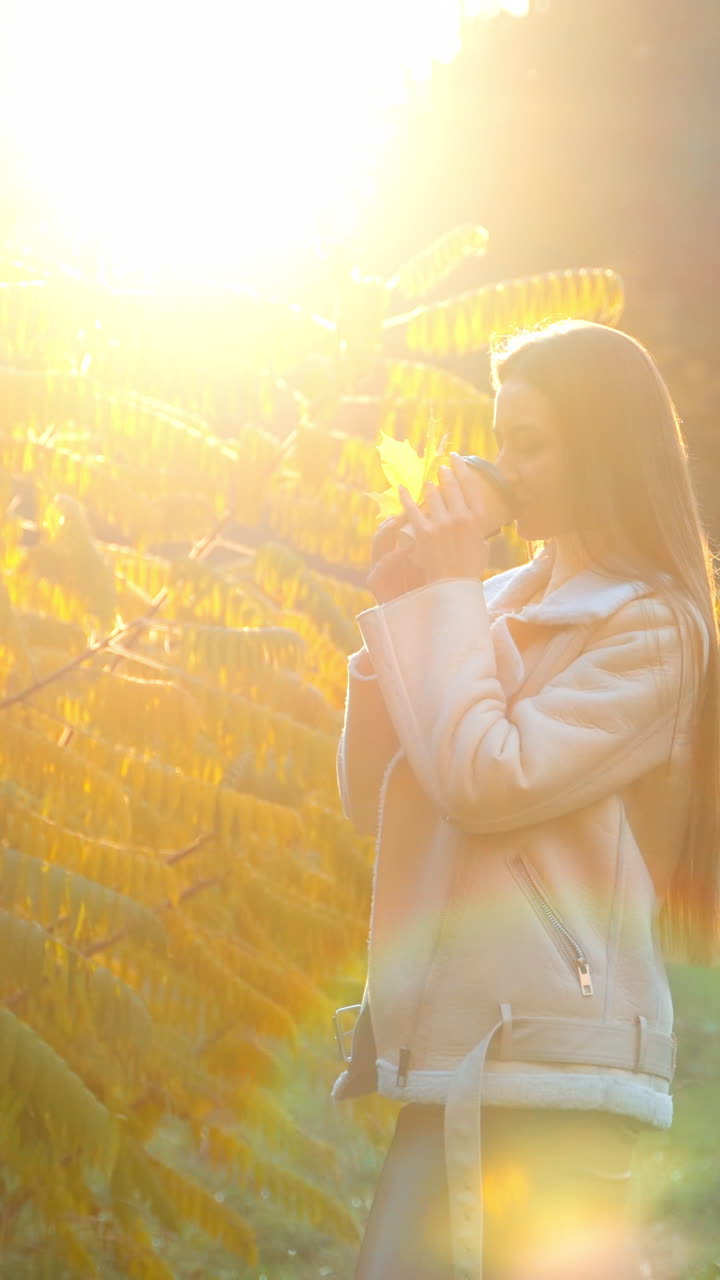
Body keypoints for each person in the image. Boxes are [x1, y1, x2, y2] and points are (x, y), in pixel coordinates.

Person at [331, 319, 720, 1279]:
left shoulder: (655, 631)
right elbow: (370, 800)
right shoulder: (491, 599)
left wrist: (451, 593)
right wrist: (404, 612)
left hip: (562, 1081)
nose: (504, 467)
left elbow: (487, 780)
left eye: (530, 444)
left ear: (603, 452)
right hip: (452, 1059)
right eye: (501, 439)